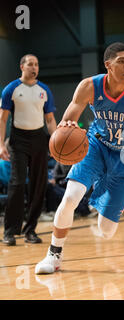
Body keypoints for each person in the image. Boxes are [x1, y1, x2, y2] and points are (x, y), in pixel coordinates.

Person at [35, 42, 124, 274]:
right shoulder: (89, 86)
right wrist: (66, 128)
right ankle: (53, 255)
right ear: (108, 65)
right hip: (96, 145)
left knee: (106, 230)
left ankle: (103, 198)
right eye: (122, 61)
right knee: (71, 197)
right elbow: (69, 118)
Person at [0, 54, 57, 246]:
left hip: (39, 139)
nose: (34, 67)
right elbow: (2, 119)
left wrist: (56, 142)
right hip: (18, 140)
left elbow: (49, 120)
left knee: (38, 184)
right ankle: (9, 231)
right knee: (16, 183)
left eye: (37, 64)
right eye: (30, 64)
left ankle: (30, 230)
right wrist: (1, 145)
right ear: (22, 67)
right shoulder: (11, 89)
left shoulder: (44, 90)